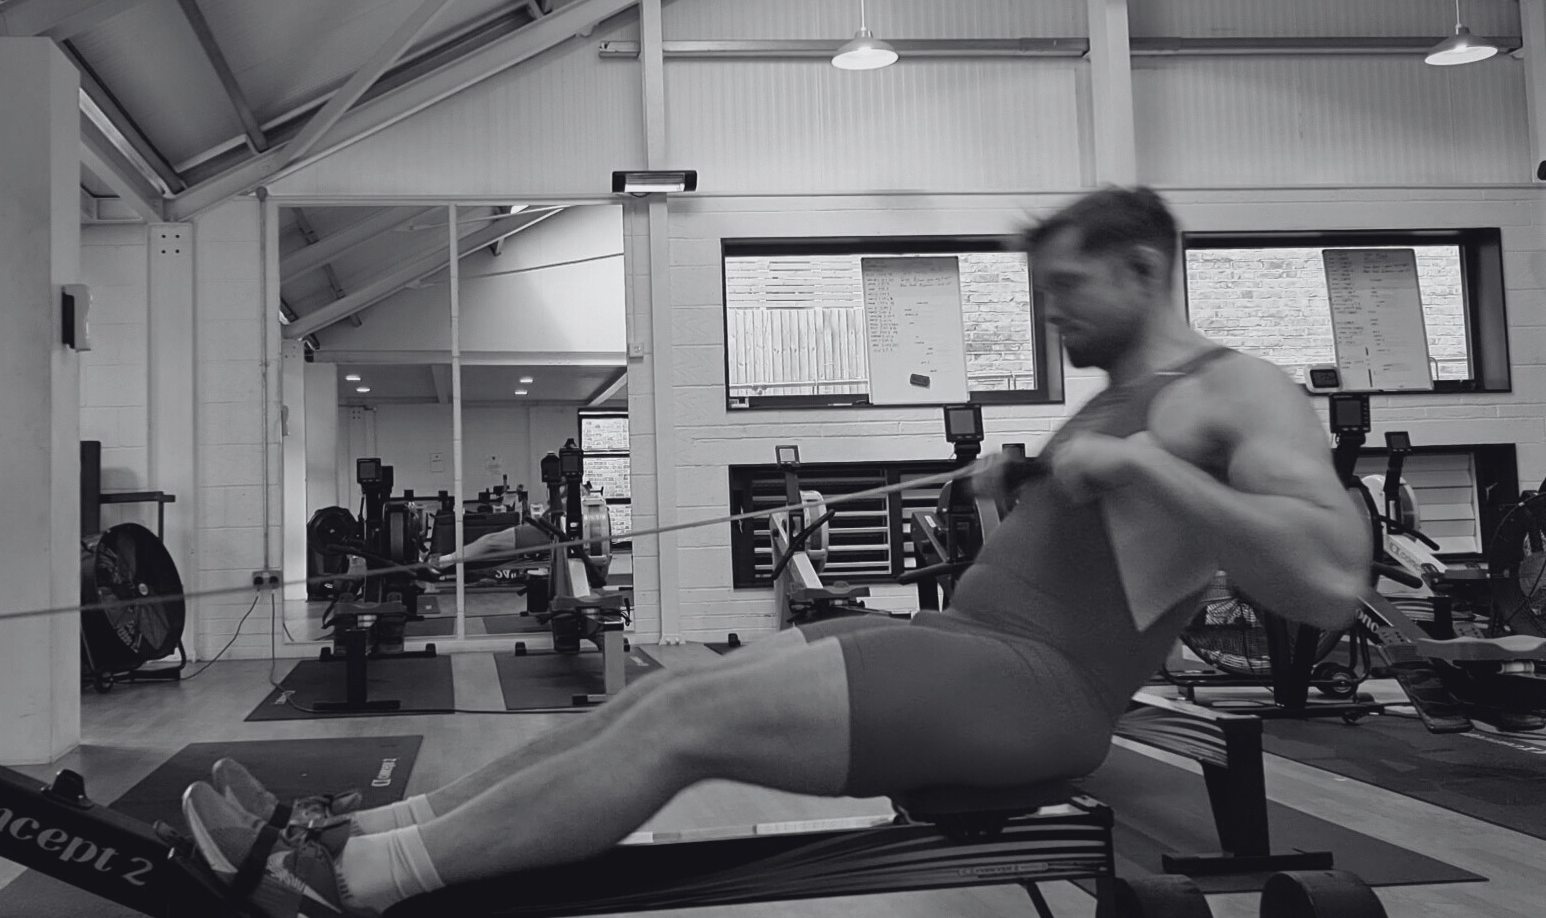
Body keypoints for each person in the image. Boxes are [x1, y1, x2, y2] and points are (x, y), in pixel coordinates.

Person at [185, 186, 1375, 917]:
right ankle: (367, 836)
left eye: (1067, 289)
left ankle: (354, 891)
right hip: (978, 645)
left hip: (1037, 692)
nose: (1050, 312)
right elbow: (1104, 572)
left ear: (1145, 269)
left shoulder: (1233, 390)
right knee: (669, 688)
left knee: (676, 728)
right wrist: (1004, 500)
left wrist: (1148, 468)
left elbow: (1328, 575)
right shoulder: (1113, 399)